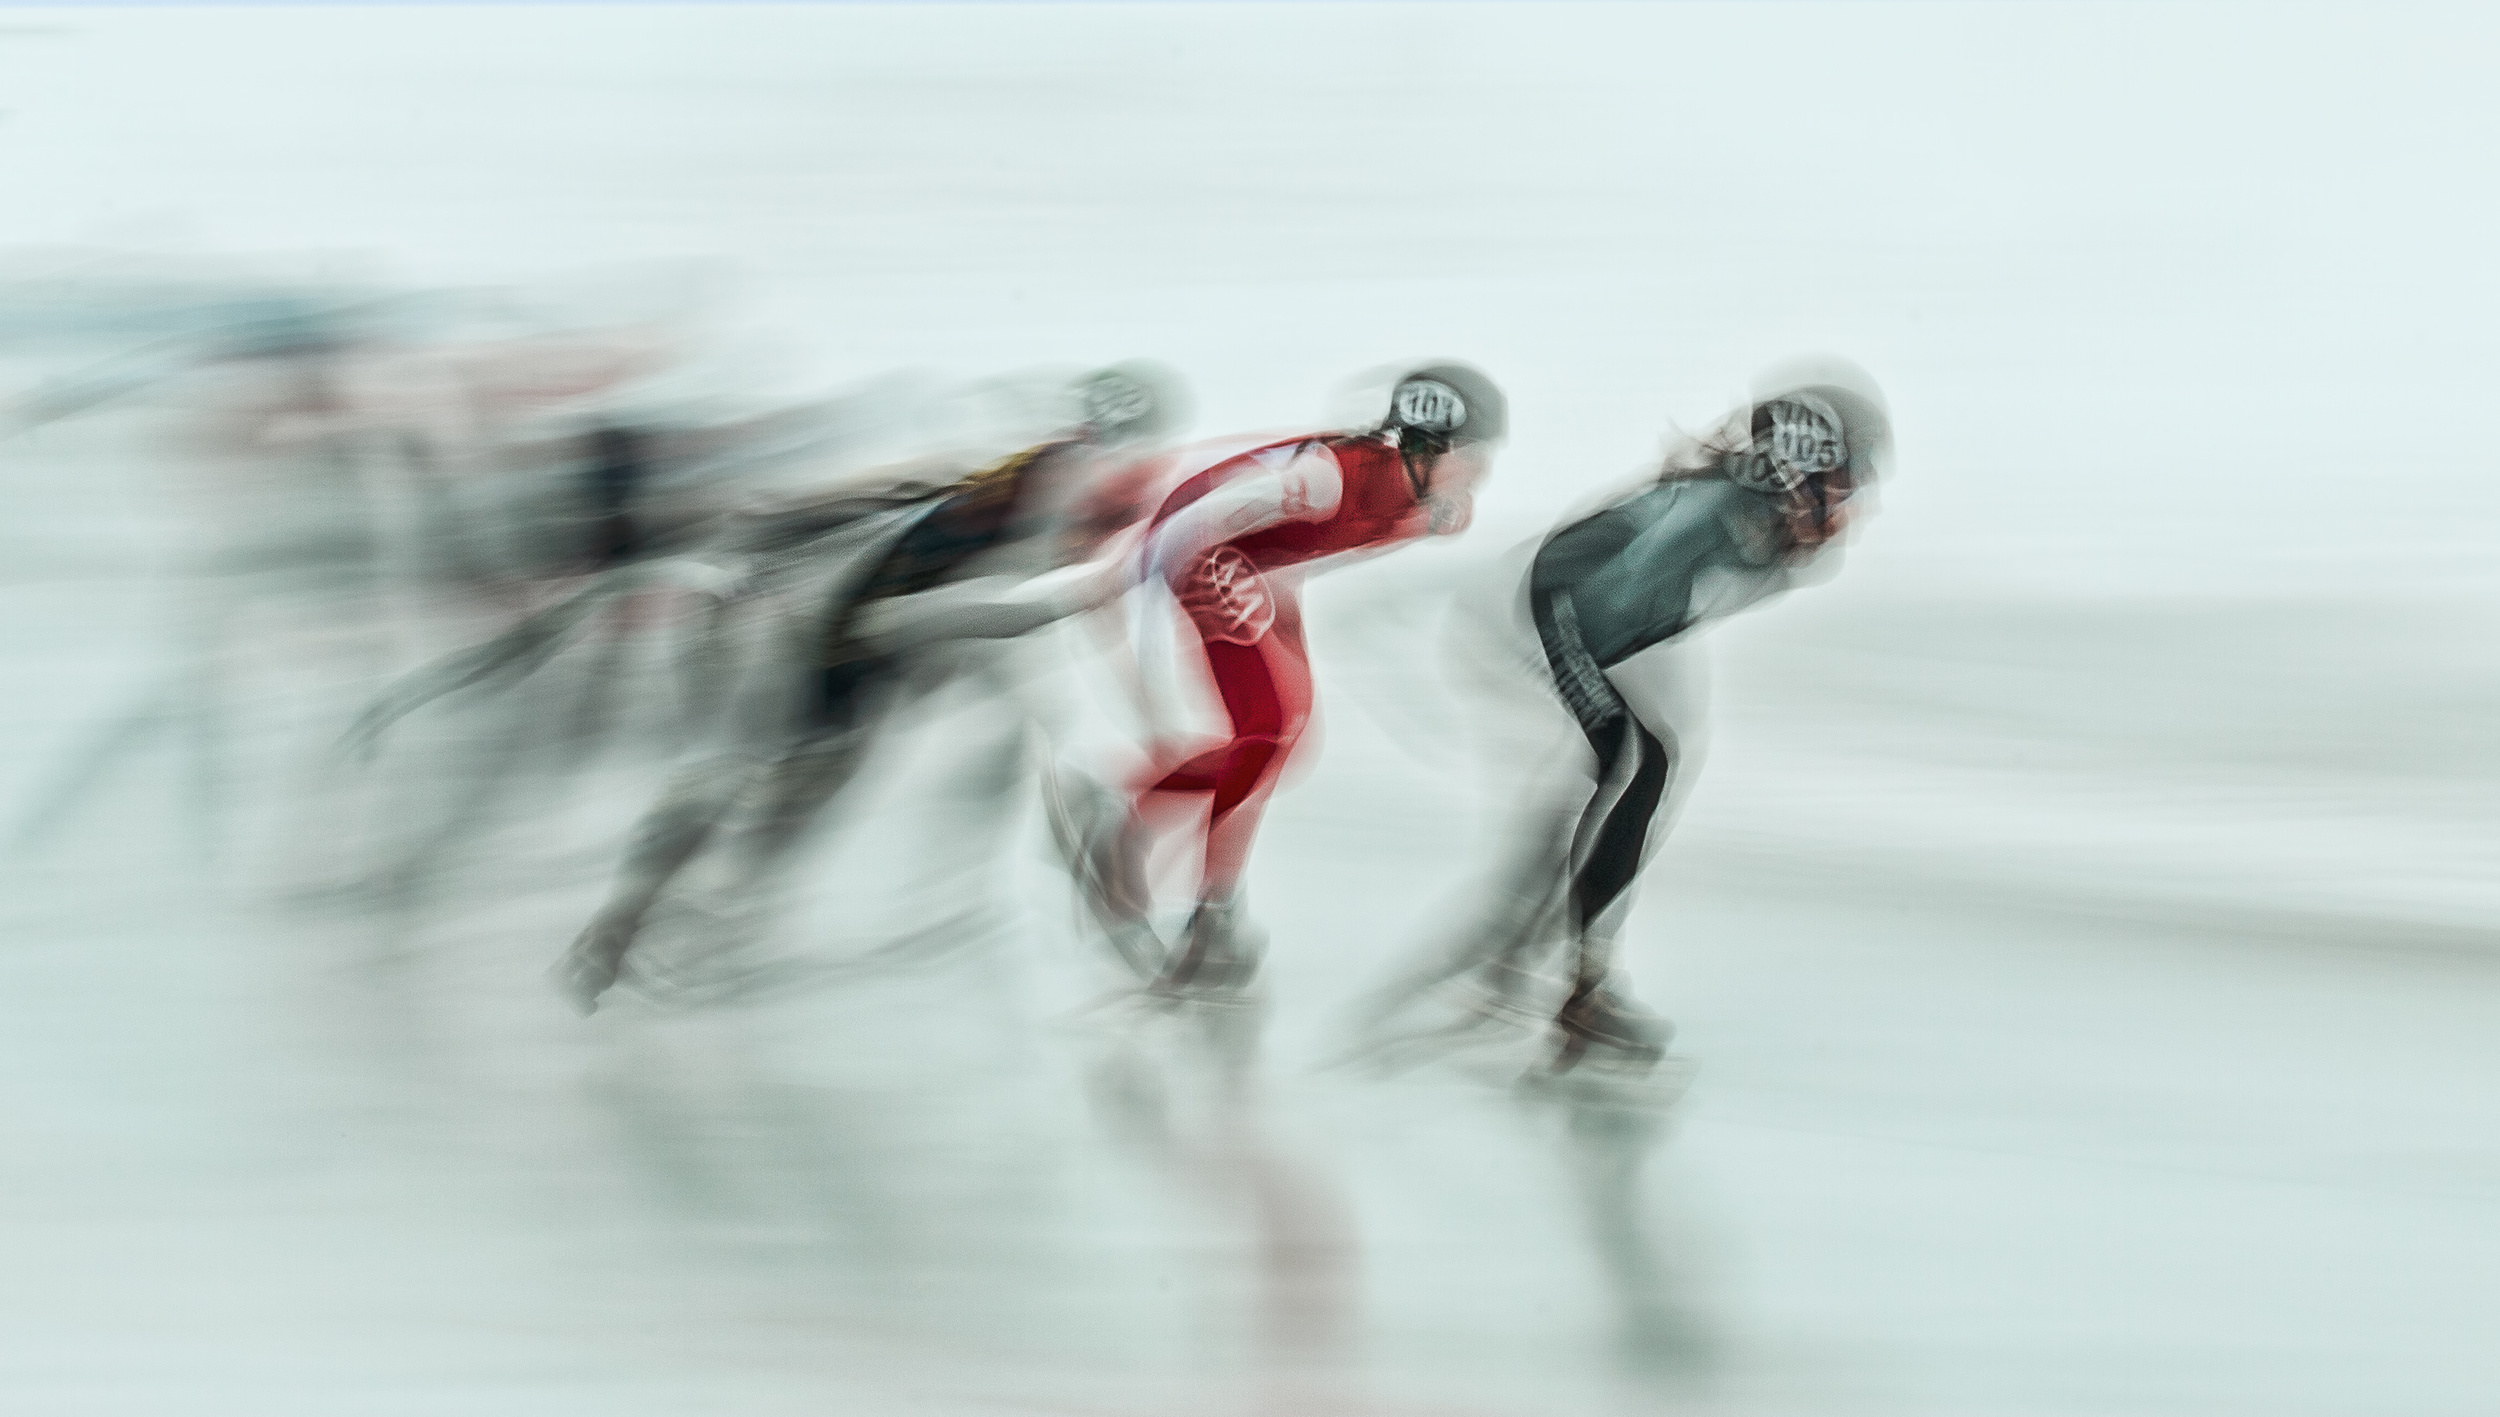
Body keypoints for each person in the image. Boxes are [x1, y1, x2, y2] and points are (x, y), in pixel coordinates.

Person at [347, 363, 1188, 1011]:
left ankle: (659, 926)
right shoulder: (1069, 482)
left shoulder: (1044, 467)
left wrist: (775, 524)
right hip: (859, 630)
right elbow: (981, 578)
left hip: (867, 626)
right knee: (775, 776)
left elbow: (911, 499)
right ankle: (633, 929)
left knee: (798, 783)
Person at [1359, 355, 1891, 1071]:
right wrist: (1607, 727)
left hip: (1619, 620)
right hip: (1559, 607)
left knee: (1641, 770)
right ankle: (1576, 983)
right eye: (1852, 482)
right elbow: (1605, 597)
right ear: (1804, 468)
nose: (1859, 507)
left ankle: (1552, 959)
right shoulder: (1722, 513)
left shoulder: (1774, 529)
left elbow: (1656, 608)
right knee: (1636, 766)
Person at [1060, 363, 1504, 1001]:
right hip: (1202, 553)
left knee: (1283, 743)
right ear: (1437, 450)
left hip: (1260, 569)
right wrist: (1139, 635)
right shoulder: (1329, 478)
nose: (1485, 474)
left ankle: (1127, 805)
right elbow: (1192, 524)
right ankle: (1209, 908)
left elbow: (1314, 549)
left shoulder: (1422, 506)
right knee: (1268, 727)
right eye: (1479, 457)